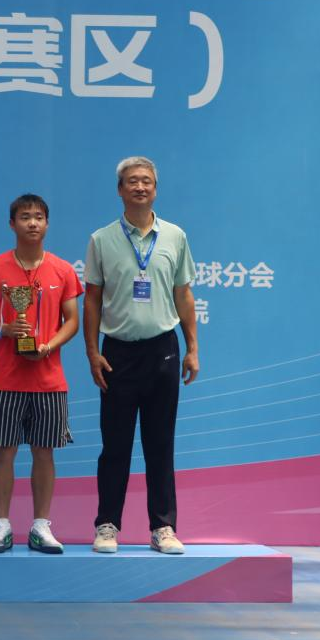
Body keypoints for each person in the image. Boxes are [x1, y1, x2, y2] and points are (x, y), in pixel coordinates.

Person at [83, 156, 198, 555]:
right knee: (115, 446)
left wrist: (192, 348)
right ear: (120, 190)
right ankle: (107, 525)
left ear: (155, 189)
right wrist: (92, 352)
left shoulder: (175, 236)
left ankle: (163, 527)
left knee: (160, 445)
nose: (140, 187)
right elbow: (92, 298)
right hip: (116, 353)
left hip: (163, 350)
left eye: (146, 180)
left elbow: (183, 294)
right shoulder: (101, 239)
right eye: (132, 181)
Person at [0, 194, 83, 554]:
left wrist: (49, 345)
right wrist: (3, 329)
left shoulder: (63, 270)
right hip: (4, 379)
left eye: (38, 217)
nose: (32, 223)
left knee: (44, 453)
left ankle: (40, 526)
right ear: (12, 224)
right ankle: (1, 525)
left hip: (49, 380)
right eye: (24, 217)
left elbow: (72, 321)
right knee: (4, 451)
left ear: (47, 224)